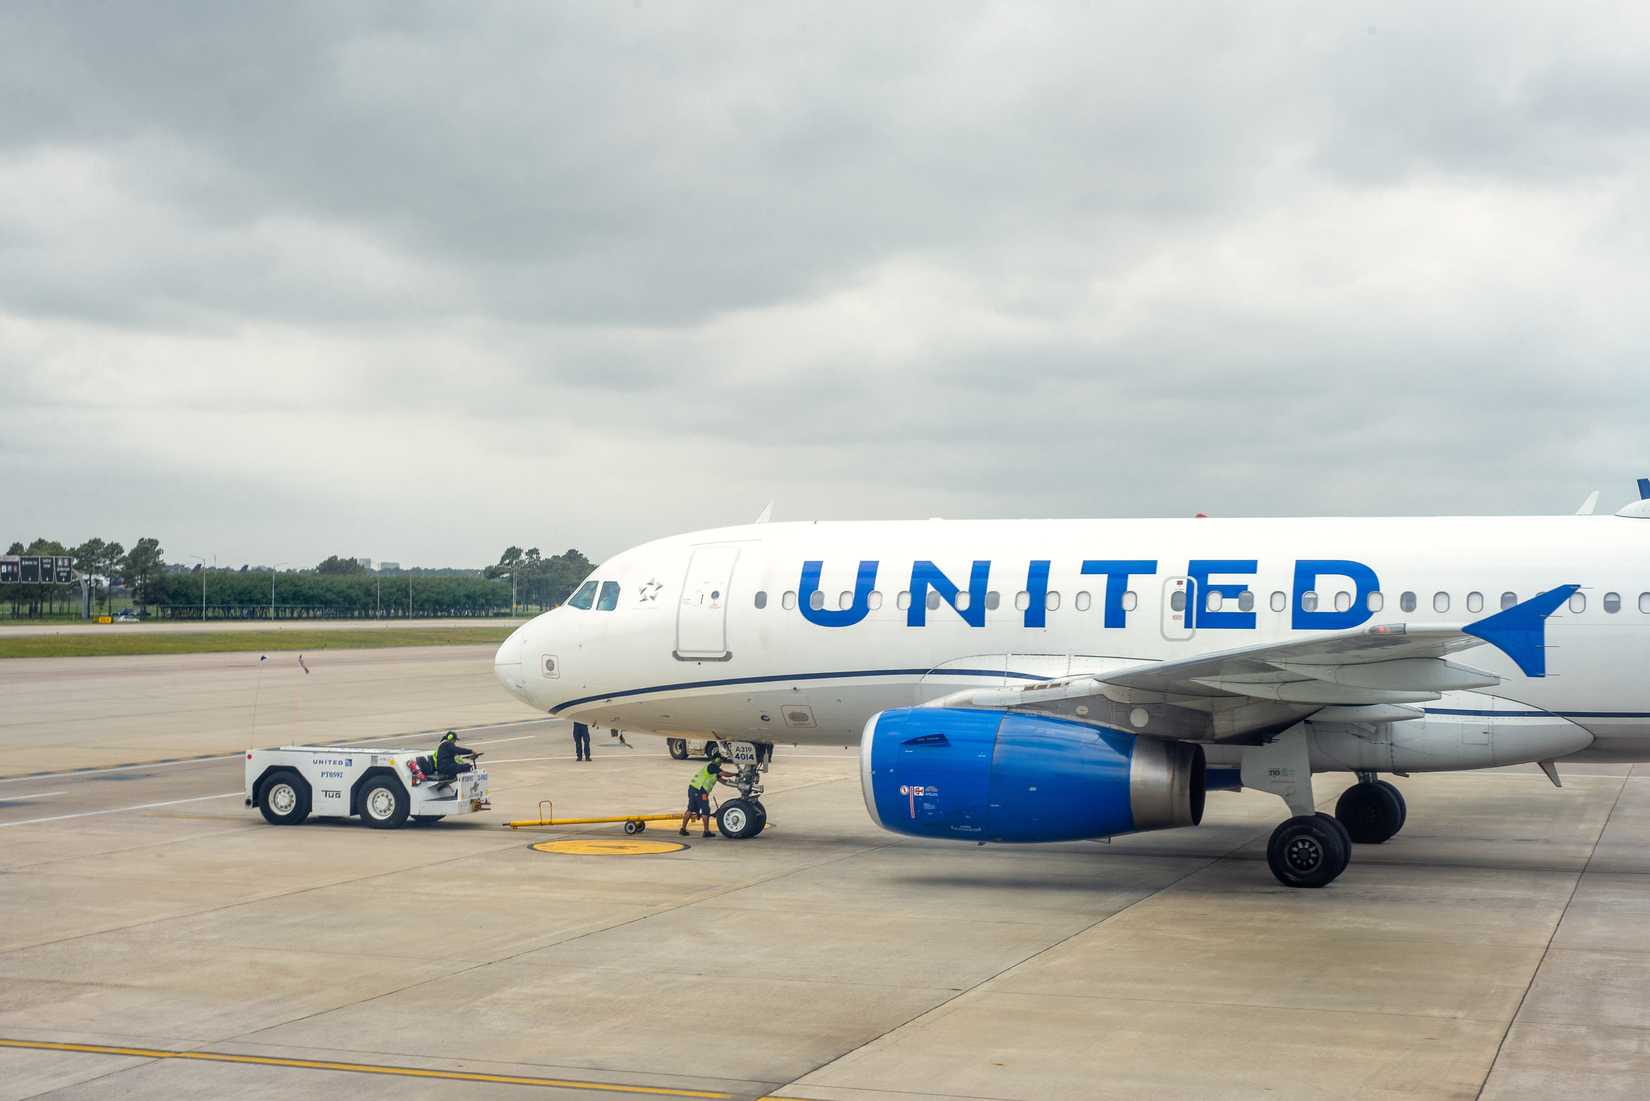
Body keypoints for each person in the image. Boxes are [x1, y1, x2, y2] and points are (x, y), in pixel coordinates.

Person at [680, 747, 722, 838]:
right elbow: (724, 773)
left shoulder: (712, 769)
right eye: (720, 760)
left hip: (693, 788)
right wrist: (736, 774)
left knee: (690, 809)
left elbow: (723, 780)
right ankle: (706, 831)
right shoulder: (712, 766)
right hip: (700, 791)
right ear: (717, 760)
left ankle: (682, 829)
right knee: (705, 810)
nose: (721, 763)